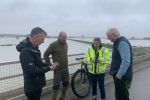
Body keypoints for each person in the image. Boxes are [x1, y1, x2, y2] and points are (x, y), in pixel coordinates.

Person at [16, 27, 56, 100]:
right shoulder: (26, 51)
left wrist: (49, 65)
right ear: (36, 37)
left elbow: (39, 63)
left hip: (37, 85)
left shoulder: (35, 48)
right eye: (42, 39)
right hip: (32, 87)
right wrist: (48, 68)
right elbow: (31, 71)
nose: (43, 42)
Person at [106, 28, 133, 100]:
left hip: (122, 76)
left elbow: (126, 61)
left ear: (113, 35)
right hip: (121, 75)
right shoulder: (119, 42)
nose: (108, 38)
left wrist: (119, 75)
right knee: (120, 96)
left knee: (122, 97)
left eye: (108, 36)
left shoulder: (122, 42)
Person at [43, 31, 68, 100]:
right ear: (59, 37)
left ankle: (62, 98)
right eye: (63, 38)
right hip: (58, 69)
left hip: (66, 68)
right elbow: (45, 54)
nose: (65, 39)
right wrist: (50, 65)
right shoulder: (53, 45)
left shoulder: (66, 44)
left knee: (66, 84)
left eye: (66, 38)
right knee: (56, 86)